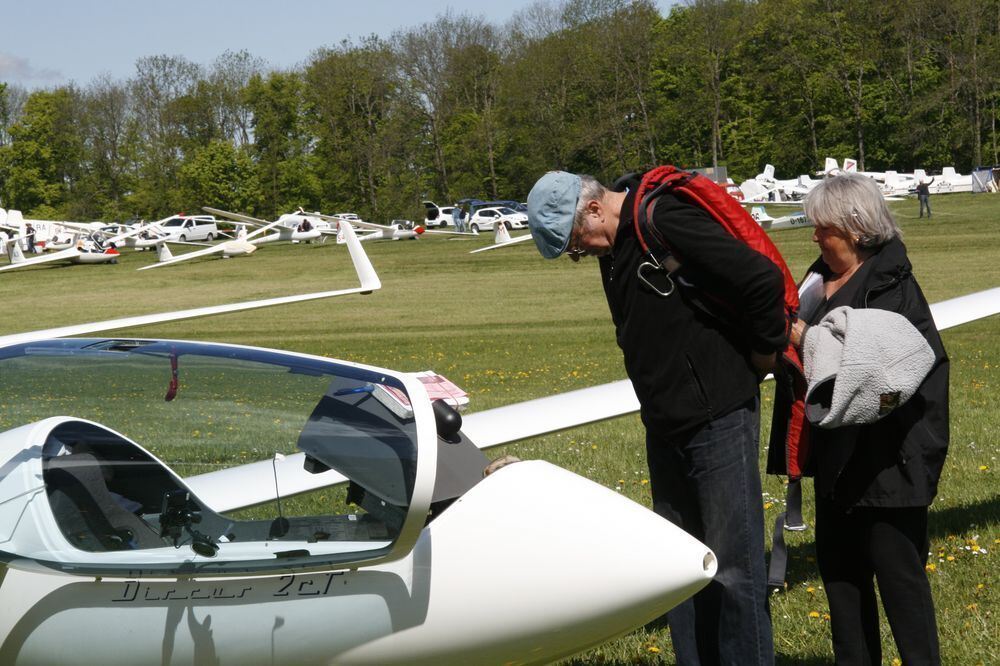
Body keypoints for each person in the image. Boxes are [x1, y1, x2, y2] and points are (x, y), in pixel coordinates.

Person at [526, 170, 786, 664]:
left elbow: (761, 279)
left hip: (718, 415)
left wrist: (763, 353)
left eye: (575, 242)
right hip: (666, 424)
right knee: (679, 567)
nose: (579, 254)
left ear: (594, 209)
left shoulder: (663, 219)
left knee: (735, 570)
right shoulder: (614, 246)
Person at [787, 173, 948, 665]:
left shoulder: (892, 285)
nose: (815, 236)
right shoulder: (818, 279)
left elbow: (870, 369)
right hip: (836, 459)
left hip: (889, 462)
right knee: (842, 586)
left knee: (902, 586)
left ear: (856, 229)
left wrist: (800, 336)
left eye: (824, 228)